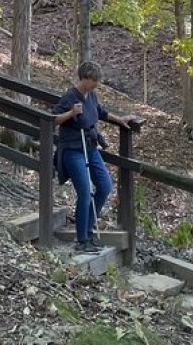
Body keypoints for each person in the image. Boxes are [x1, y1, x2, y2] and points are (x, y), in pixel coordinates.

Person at [53, 62, 133, 253]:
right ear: (85, 78)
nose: (96, 84)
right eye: (94, 81)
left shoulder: (92, 96)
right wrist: (72, 113)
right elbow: (54, 118)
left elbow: (101, 112)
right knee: (85, 191)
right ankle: (82, 239)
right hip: (73, 149)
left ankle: (89, 228)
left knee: (105, 185)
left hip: (90, 147)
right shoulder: (70, 96)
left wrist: (119, 119)